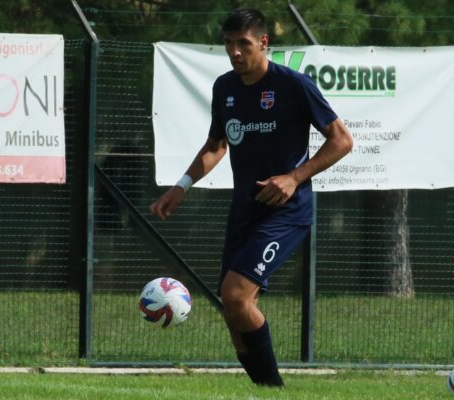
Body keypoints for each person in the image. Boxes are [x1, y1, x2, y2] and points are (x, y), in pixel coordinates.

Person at [150, 8, 353, 387]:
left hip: (286, 212)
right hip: (244, 210)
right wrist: (180, 187)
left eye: (243, 43)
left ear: (263, 43)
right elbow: (215, 146)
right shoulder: (225, 88)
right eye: (228, 44)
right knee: (233, 309)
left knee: (236, 295)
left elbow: (342, 140)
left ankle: (273, 387)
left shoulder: (294, 86)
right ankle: (265, 389)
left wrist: (294, 178)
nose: (235, 52)